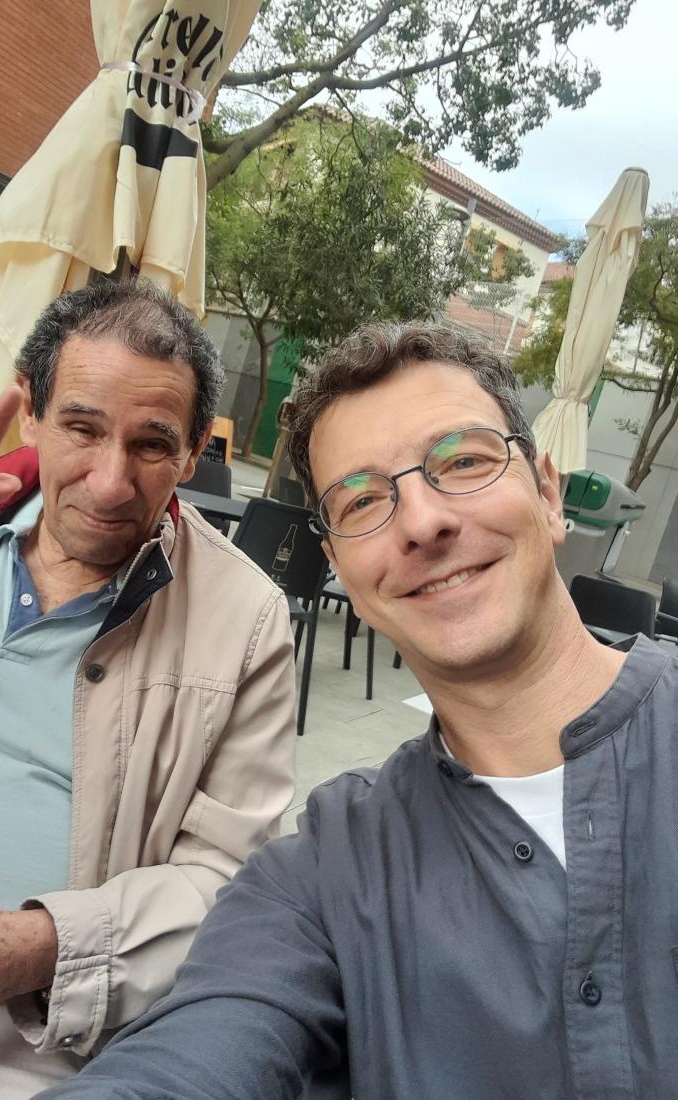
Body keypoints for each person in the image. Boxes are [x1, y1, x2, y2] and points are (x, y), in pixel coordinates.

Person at [41, 321, 678, 1100]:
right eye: (364, 500)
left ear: (547, 493)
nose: (421, 522)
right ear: (338, 565)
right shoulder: (324, 873)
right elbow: (194, 1054)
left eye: (464, 462)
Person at [0, 279, 296, 1097]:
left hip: (22, 1055)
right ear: (32, 414)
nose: (109, 482)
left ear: (194, 453)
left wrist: (28, 950)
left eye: (152, 445)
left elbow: (227, 886)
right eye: (82, 429)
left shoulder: (245, 620)